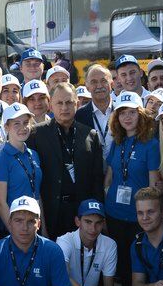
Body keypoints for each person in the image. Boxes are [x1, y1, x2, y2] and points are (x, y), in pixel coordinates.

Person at [104, 91, 161, 286]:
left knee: (141, 268)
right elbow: (109, 176)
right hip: (114, 215)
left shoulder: (150, 144)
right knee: (124, 269)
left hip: (139, 218)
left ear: (141, 115)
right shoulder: (117, 142)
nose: (127, 117)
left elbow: (154, 184)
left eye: (132, 112)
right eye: (122, 113)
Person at [28, 82, 105, 238]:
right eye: (59, 103)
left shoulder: (90, 135)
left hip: (83, 213)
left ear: (77, 104)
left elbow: (97, 180)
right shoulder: (36, 134)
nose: (64, 107)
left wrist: (97, 213)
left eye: (69, 102)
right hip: (51, 212)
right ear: (50, 105)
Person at [0, 103, 44, 233]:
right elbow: (0, 202)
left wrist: (43, 230)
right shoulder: (2, 158)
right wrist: (15, 233)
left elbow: (37, 193)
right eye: (16, 123)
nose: (23, 127)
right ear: (6, 127)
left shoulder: (34, 154)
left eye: (26, 122)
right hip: (16, 229)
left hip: (33, 225)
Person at [75, 65, 115, 160]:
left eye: (103, 81)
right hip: (92, 171)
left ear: (111, 84)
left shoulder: (122, 111)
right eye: (94, 82)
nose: (99, 86)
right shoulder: (79, 116)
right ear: (87, 87)